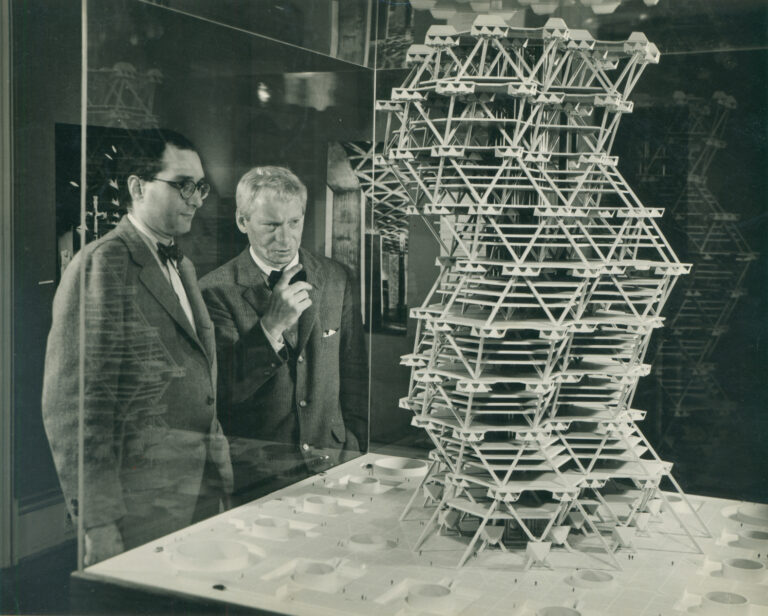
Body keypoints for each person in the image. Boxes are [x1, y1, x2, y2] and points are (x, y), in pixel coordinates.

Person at [42, 129, 232, 565]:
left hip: (196, 490)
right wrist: (98, 521)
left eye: (200, 186)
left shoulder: (181, 263)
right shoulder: (101, 264)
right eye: (183, 184)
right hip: (135, 508)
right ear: (137, 186)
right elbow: (73, 409)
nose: (197, 198)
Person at [200, 166, 367, 498]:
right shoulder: (213, 291)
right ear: (242, 222)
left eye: (294, 222)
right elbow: (222, 395)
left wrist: (356, 449)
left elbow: (355, 375)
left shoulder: (336, 278)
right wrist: (270, 327)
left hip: (335, 464)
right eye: (271, 225)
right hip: (258, 475)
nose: (286, 238)